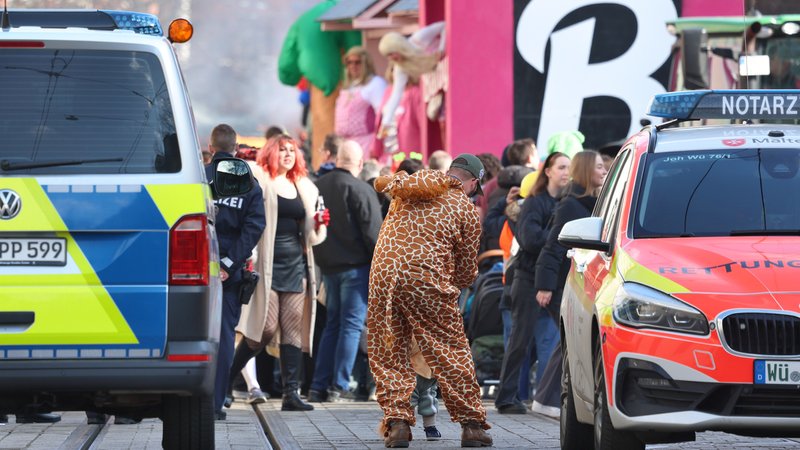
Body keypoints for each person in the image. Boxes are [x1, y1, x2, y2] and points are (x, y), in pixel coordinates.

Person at [368, 154, 492, 448]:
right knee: (451, 350)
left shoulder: (408, 188)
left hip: (384, 276)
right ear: (473, 182)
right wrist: (458, 283)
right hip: (427, 281)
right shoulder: (464, 208)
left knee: (390, 348)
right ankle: (472, 426)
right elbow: (464, 269)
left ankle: (397, 424)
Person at [228, 135, 328, 412]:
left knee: (293, 330)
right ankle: (226, 380)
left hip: (296, 264)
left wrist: (318, 224)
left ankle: (290, 394)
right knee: (264, 328)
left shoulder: (305, 186)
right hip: (266, 265)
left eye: (292, 150)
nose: (287, 154)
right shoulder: (260, 179)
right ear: (272, 152)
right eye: (282, 150)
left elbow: (313, 237)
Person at [532, 150, 608, 418]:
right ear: (588, 170)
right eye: (599, 166)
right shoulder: (571, 205)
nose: (604, 170)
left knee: (562, 345)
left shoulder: (595, 202)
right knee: (566, 344)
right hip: (567, 285)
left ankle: (546, 400)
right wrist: (545, 286)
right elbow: (552, 247)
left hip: (582, 283)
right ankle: (549, 400)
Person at [494, 152, 571, 414]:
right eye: (561, 167)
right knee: (520, 339)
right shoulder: (536, 202)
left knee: (568, 336)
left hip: (554, 278)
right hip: (528, 278)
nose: (566, 172)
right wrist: (559, 235)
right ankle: (506, 397)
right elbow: (529, 239)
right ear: (547, 171)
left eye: (569, 168)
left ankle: (554, 393)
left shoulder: (567, 202)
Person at [308, 140, 383, 402]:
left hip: (328, 266)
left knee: (332, 325)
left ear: (337, 159)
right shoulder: (361, 189)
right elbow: (374, 233)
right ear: (360, 164)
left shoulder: (318, 187)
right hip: (356, 268)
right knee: (350, 326)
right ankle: (339, 385)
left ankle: (318, 385)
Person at [205, 124, 267, 421]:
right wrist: (229, 264)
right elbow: (254, 226)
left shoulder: (197, 177)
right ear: (236, 147)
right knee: (225, 336)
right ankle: (216, 403)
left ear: (211, 146)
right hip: (230, 272)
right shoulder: (248, 182)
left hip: (195, 267)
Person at [335, 46, 387, 156]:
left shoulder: (375, 83)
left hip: (366, 144)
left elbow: (383, 115)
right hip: (345, 145)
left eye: (357, 62)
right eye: (349, 63)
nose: (353, 66)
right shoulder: (348, 86)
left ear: (365, 63)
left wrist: (377, 144)